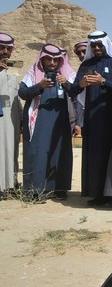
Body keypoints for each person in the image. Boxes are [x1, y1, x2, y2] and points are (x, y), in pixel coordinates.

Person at [70, 31, 112, 206]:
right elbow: (72, 91)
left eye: (99, 45)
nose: (96, 48)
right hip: (92, 119)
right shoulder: (86, 65)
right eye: (93, 46)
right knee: (95, 156)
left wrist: (104, 82)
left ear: (106, 45)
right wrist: (81, 84)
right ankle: (97, 195)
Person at [18, 44, 78, 200]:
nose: (52, 62)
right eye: (48, 59)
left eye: (56, 60)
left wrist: (66, 84)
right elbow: (23, 93)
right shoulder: (33, 73)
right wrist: (40, 86)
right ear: (42, 59)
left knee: (60, 154)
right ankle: (35, 191)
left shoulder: (66, 74)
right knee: (38, 153)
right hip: (39, 121)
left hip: (61, 122)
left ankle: (59, 189)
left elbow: (76, 92)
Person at [0, 32, 22, 197]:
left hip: (11, 119)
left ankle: (10, 184)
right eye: (2, 47)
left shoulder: (12, 72)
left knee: (10, 150)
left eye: (8, 48)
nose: (5, 51)